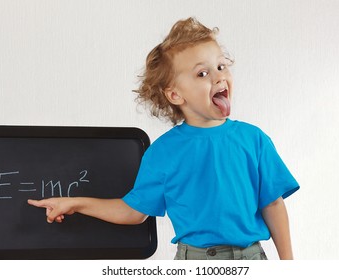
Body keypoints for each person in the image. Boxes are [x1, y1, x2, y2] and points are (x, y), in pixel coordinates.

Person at [28, 17, 299, 260]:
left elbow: (273, 203)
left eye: (221, 66)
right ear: (175, 95)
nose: (219, 77)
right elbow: (134, 212)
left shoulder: (254, 139)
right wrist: (75, 203)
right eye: (202, 73)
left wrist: (288, 265)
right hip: (194, 262)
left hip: (251, 259)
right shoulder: (163, 152)